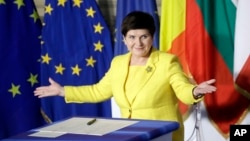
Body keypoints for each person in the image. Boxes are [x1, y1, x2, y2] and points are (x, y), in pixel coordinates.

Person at [34, 11, 216, 141]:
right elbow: (98, 91)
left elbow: (182, 89)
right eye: (132, 37)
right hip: (131, 135)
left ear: (152, 37)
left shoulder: (167, 62)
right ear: (124, 39)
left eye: (144, 36)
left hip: (163, 135)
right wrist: (62, 91)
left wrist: (195, 91)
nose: (138, 43)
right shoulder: (118, 63)